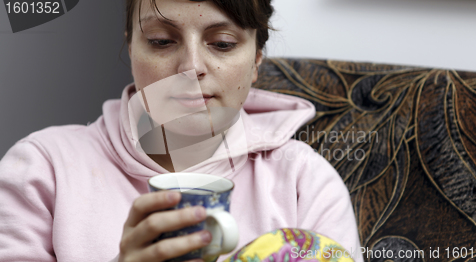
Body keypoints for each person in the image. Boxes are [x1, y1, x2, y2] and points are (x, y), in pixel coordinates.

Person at [0, 0, 363, 262]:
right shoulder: (40, 169)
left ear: (255, 61)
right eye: (161, 41)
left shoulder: (305, 184)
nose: (190, 68)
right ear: (131, 47)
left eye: (222, 44)